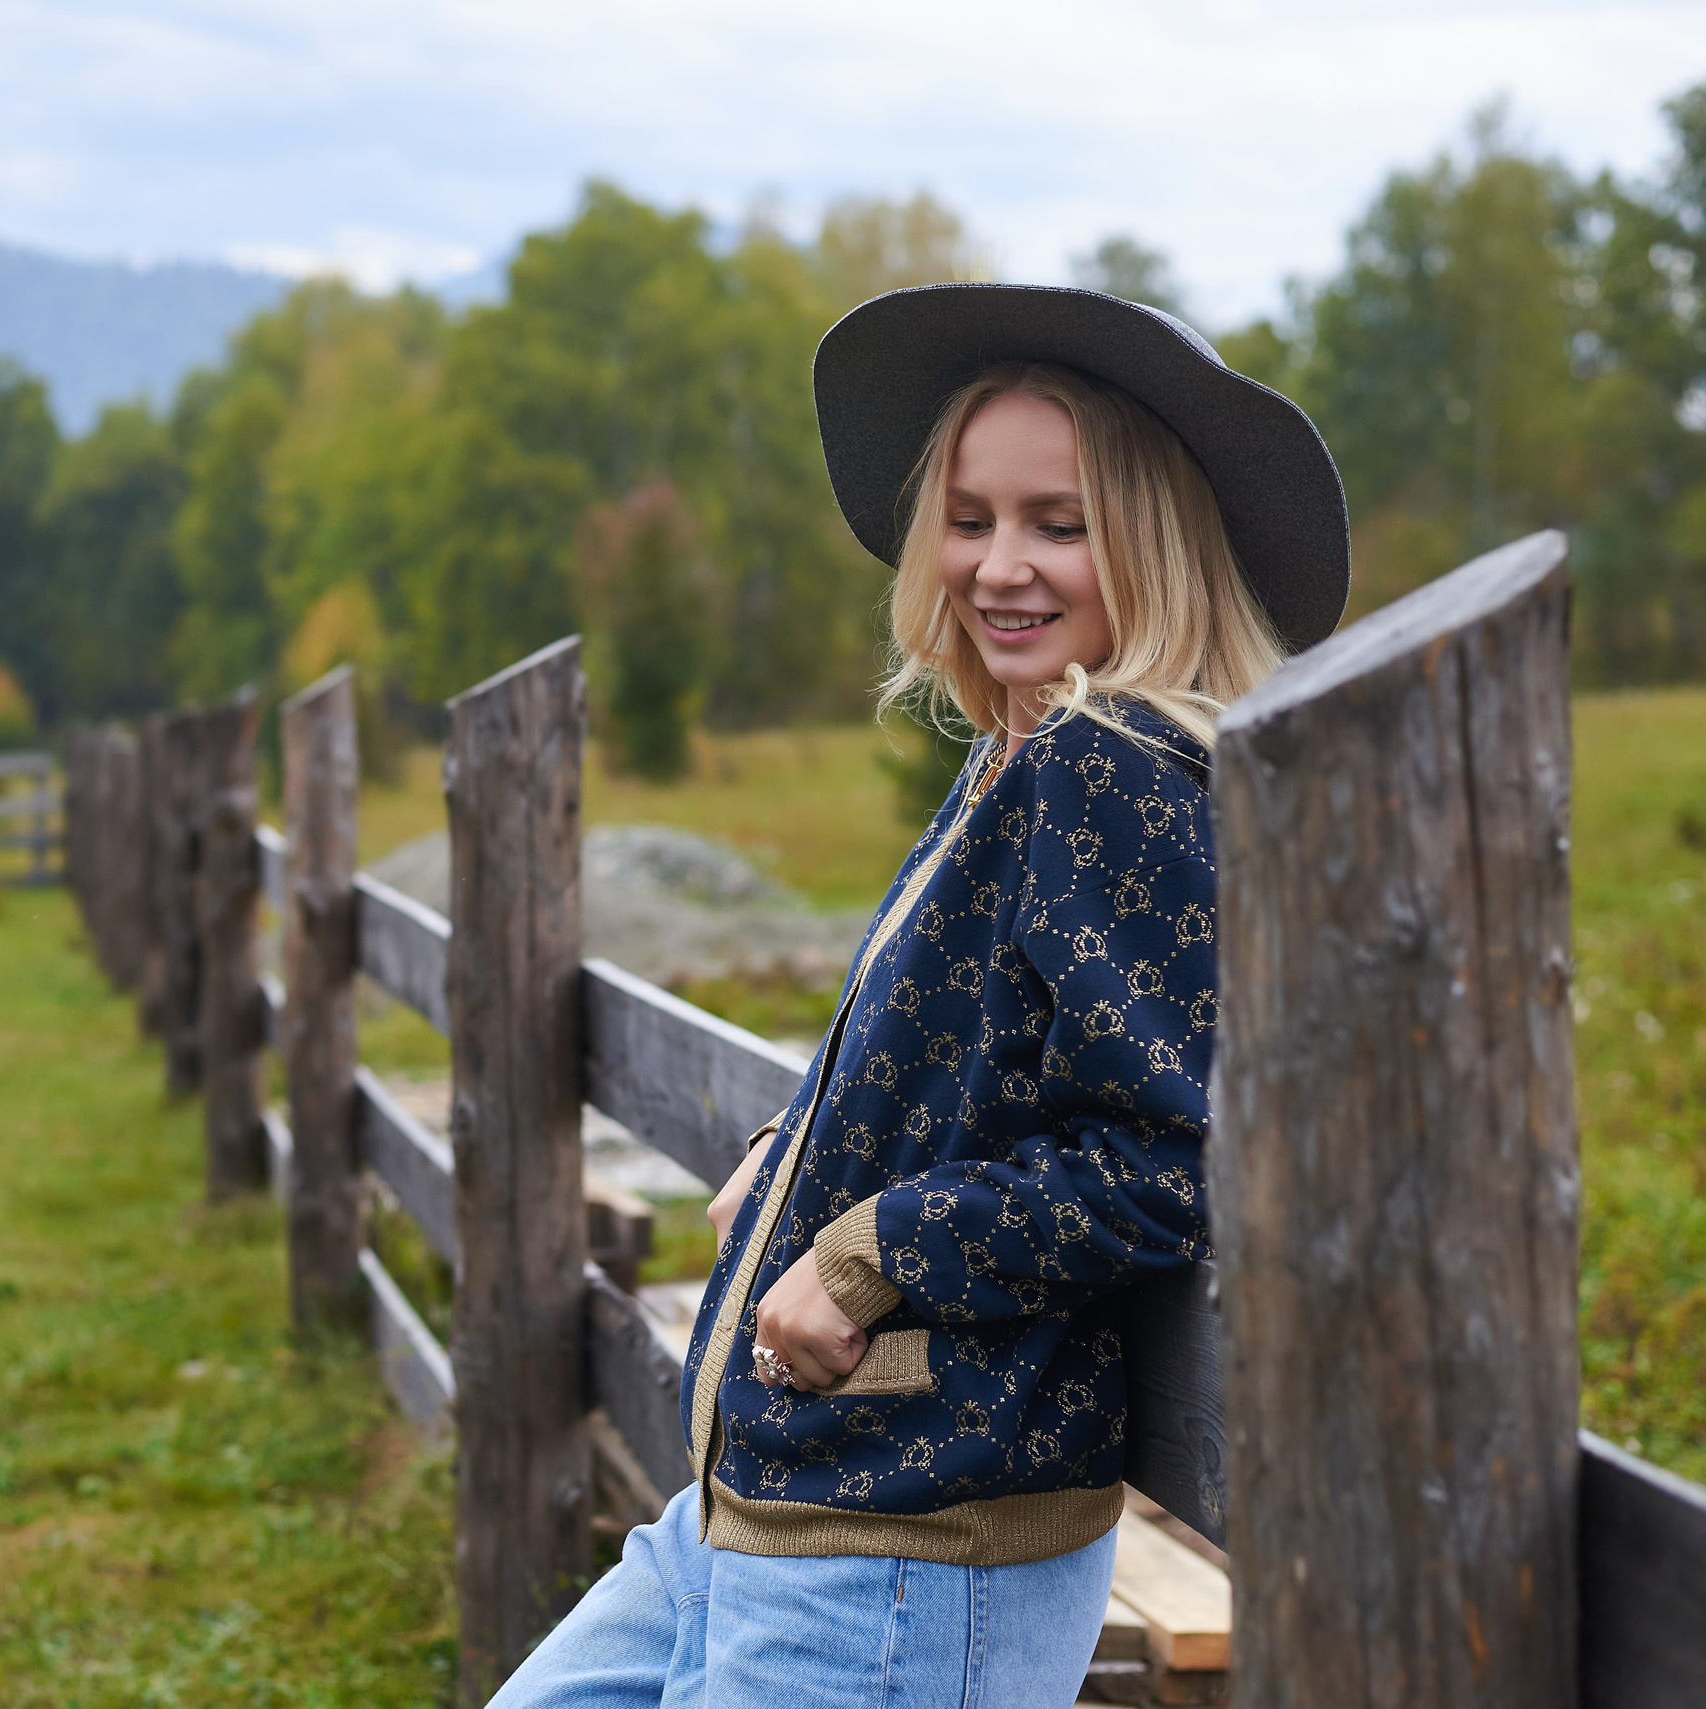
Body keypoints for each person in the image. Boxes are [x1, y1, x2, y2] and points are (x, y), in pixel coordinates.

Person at [489, 283, 1350, 1708]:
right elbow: (975, 1063)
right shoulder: (1020, 748)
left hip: (903, 1553)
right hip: (776, 1500)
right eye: (969, 517)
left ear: (1153, 543)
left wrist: (868, 1248)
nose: (998, 566)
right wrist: (793, 1159)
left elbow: (1169, 1160)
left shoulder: (1109, 769)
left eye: (1058, 525)